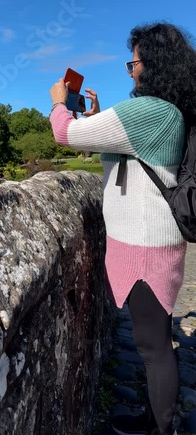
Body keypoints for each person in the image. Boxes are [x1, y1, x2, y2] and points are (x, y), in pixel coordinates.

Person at [49, 22, 196, 435]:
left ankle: (162, 427)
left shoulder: (149, 110)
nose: (130, 71)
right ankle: (155, 417)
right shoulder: (166, 111)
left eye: (132, 62)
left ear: (150, 64)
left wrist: (60, 102)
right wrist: (96, 119)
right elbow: (117, 151)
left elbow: (65, 134)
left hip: (145, 247)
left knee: (152, 350)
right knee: (157, 343)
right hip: (155, 243)